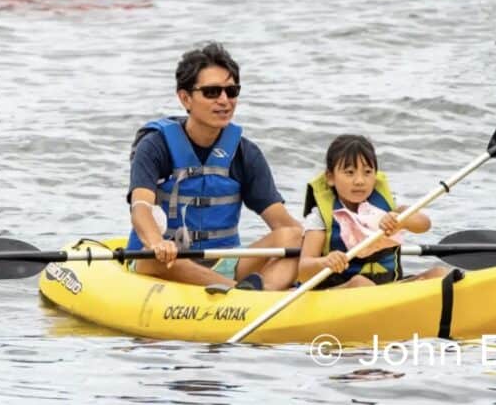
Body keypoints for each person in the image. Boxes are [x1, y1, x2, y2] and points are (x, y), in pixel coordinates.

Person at [126, 43, 303, 290]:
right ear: (185, 98)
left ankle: (258, 294)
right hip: (167, 262)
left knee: (293, 234)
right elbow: (141, 207)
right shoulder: (156, 146)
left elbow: (284, 226)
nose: (224, 100)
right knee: (151, 258)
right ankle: (240, 292)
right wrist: (157, 242)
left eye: (231, 91)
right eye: (211, 92)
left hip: (225, 262)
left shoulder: (245, 153)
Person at [298, 135, 448, 289]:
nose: (359, 181)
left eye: (367, 172)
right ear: (330, 177)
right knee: (360, 283)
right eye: (350, 172)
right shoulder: (320, 217)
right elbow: (303, 271)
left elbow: (424, 224)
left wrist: (402, 221)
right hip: (341, 292)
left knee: (439, 274)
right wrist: (325, 262)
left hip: (387, 288)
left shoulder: (388, 207)